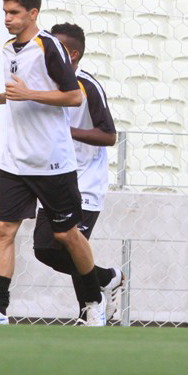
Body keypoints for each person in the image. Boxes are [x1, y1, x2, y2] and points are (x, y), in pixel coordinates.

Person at [0, 0, 108, 326]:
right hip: (15, 160)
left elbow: (72, 97)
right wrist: (1, 98)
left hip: (52, 161)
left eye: (15, 12)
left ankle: (94, 298)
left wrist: (28, 93)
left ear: (33, 13)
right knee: (3, 229)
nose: (8, 18)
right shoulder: (6, 50)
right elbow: (24, 94)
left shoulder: (48, 46)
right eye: (5, 12)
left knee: (66, 235)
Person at [32, 22, 124, 324]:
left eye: (55, 48)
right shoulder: (42, 85)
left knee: (73, 244)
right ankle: (107, 278)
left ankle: (90, 307)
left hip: (85, 182)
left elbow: (109, 135)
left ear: (72, 54)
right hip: (52, 179)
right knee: (44, 249)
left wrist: (68, 130)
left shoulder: (88, 86)